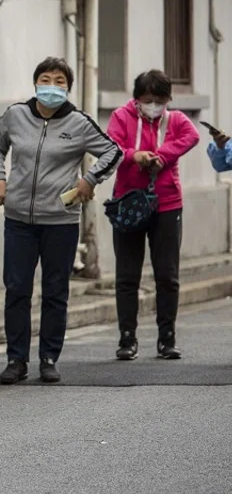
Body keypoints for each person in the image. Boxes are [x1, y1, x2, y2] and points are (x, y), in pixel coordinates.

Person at [0, 57, 122, 385]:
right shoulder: (15, 115)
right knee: (17, 289)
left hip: (61, 220)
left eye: (59, 81)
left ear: (68, 87)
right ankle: (16, 360)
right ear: (35, 84)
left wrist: (89, 179)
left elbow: (112, 151)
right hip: (18, 219)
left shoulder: (78, 122)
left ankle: (48, 358)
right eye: (45, 79)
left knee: (55, 290)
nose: (52, 86)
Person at [106, 70, 199, 360]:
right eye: (148, 100)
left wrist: (162, 154)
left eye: (160, 100)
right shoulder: (121, 117)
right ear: (137, 99)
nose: (154, 106)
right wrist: (134, 155)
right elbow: (110, 148)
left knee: (167, 274)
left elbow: (192, 136)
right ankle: (127, 338)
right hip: (129, 202)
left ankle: (167, 337)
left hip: (167, 203)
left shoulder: (175, 120)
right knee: (127, 275)